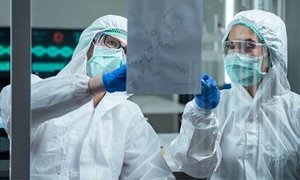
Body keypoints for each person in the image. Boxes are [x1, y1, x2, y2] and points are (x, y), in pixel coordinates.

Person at [0, 15, 175, 180]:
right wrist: (96, 84)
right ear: (88, 44)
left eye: (127, 51)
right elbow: (17, 106)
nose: (119, 54)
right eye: (112, 43)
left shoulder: (128, 114)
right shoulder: (37, 89)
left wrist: (200, 112)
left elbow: (151, 172)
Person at [170, 10, 300, 179]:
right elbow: (195, 168)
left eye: (249, 46)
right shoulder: (215, 107)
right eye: (231, 46)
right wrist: (202, 113)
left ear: (273, 52)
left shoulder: (295, 111)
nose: (237, 55)